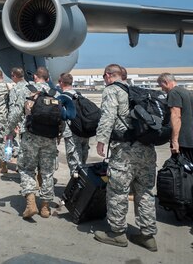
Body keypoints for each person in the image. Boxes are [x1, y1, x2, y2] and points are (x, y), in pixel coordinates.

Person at [94, 64, 158, 252]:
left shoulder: (112, 90)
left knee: (118, 192)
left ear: (108, 76)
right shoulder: (136, 92)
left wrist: (101, 140)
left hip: (125, 151)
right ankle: (148, 236)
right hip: (147, 149)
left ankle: (117, 233)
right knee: (145, 191)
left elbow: (108, 116)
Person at [14, 66, 58, 219]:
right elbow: (62, 116)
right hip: (50, 138)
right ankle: (45, 207)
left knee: (27, 168)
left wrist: (9, 130)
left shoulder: (27, 90)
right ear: (47, 78)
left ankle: (31, 202)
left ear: (35, 77)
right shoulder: (55, 92)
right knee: (47, 172)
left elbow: (15, 113)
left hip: (30, 136)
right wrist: (58, 135)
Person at [58, 73, 90, 178]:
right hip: (85, 131)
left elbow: (61, 116)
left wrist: (58, 133)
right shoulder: (80, 95)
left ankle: (77, 188)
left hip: (71, 132)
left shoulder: (62, 97)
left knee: (74, 162)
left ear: (61, 82)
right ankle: (84, 184)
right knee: (83, 162)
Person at [157, 72, 193, 162]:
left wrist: (175, 140)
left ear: (166, 82)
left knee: (182, 169)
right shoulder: (186, 92)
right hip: (191, 137)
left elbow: (176, 116)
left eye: (161, 85)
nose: (162, 88)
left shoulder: (173, 93)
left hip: (183, 139)